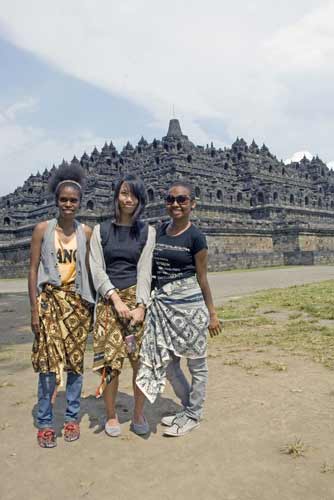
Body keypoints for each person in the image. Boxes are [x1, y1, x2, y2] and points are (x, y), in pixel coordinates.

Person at [136, 180, 222, 437]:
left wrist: (212, 313)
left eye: (182, 199)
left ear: (192, 204)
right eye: (170, 199)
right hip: (163, 308)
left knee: (197, 364)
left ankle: (194, 414)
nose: (175, 204)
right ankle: (188, 408)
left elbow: (202, 278)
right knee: (170, 364)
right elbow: (150, 271)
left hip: (191, 307)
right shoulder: (159, 232)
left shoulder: (196, 237)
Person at [29, 164, 94, 448]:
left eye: (73, 200)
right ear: (56, 201)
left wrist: (93, 308)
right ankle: (45, 422)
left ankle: (71, 418)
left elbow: (91, 272)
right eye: (64, 199)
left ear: (80, 203)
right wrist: (34, 308)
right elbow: (32, 270)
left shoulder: (87, 233)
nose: (68, 204)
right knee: (47, 364)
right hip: (50, 302)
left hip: (77, 305)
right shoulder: (43, 230)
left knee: (75, 366)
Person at [89, 174, 155, 437]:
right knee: (110, 364)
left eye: (135, 195)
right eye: (125, 193)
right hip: (108, 303)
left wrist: (140, 305)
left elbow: (145, 270)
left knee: (140, 363)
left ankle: (138, 413)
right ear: (116, 195)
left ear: (140, 200)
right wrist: (115, 299)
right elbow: (96, 268)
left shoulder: (147, 232)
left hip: (137, 303)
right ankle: (112, 415)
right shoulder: (100, 231)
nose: (129, 199)